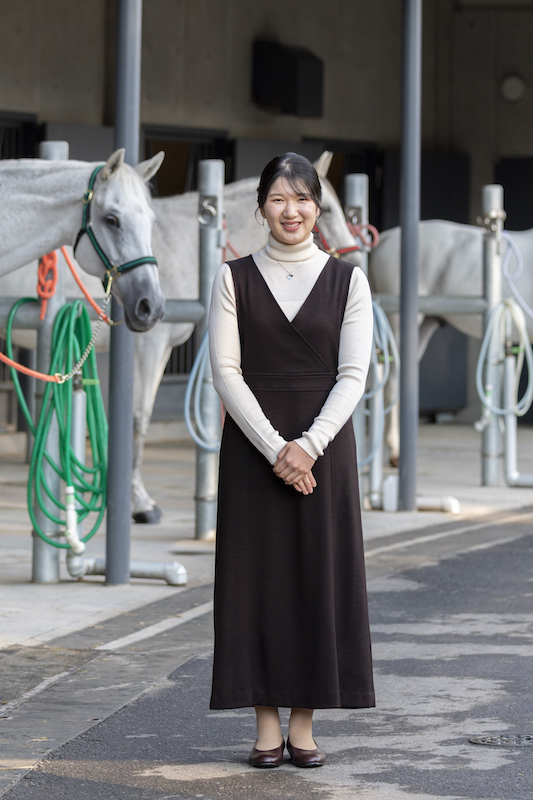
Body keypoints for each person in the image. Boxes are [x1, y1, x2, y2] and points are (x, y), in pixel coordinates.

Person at [208, 152, 375, 769]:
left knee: (316, 581)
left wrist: (309, 445)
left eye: (302, 198)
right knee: (256, 586)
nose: (292, 210)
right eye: (279, 198)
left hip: (323, 455)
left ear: (317, 208)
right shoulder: (233, 278)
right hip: (255, 455)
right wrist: (277, 447)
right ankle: (263, 725)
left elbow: (354, 375)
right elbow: (225, 372)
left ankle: (302, 726)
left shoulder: (347, 280)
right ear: (260, 209)